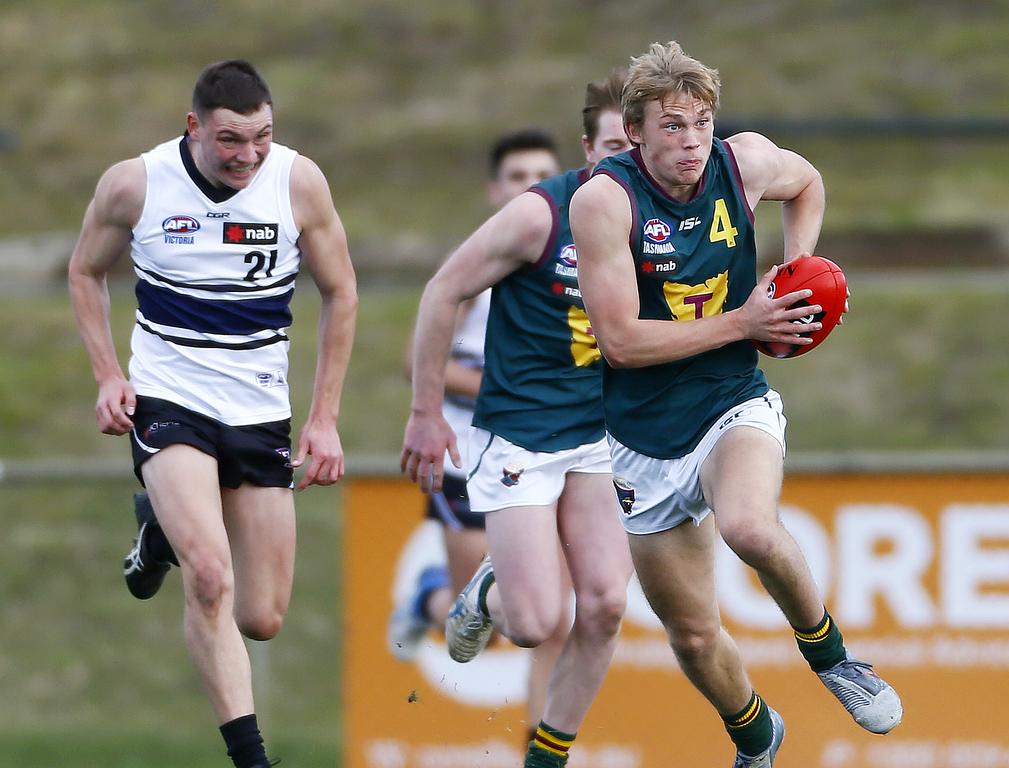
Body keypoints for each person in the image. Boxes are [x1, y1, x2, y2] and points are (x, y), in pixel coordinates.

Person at [569, 42, 902, 767]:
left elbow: (808, 182)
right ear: (634, 132)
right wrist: (745, 322)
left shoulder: (740, 161)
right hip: (639, 438)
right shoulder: (603, 200)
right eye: (672, 127)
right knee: (691, 635)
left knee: (749, 527)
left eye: (702, 123)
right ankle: (756, 733)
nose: (692, 143)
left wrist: (796, 263)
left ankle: (835, 658)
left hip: (731, 401)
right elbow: (621, 342)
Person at [68, 60, 358, 768]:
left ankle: (157, 530)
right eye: (232, 140)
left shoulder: (297, 182)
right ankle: (252, 759)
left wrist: (323, 418)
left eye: (262, 137)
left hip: (258, 409)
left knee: (261, 615)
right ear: (194, 126)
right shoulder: (135, 183)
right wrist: (109, 376)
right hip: (170, 398)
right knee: (211, 577)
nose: (248, 156)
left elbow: (341, 292)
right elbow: (84, 270)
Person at [400, 72, 633, 768]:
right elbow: (442, 290)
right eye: (616, 144)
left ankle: (547, 754)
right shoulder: (540, 216)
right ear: (588, 149)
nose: (631, 159)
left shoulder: (659, 218)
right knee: (534, 623)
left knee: (606, 605)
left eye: (640, 144)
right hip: (520, 437)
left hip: (599, 438)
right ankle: (484, 589)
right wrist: (421, 414)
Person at [387, 128, 572, 734]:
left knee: (556, 621)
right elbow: (424, 363)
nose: (532, 185)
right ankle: (425, 601)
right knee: (484, 622)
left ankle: (539, 751)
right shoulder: (480, 267)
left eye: (543, 173)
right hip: (471, 456)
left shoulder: (572, 264)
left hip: (549, 455)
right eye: (518, 176)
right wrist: (506, 381)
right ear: (497, 190)